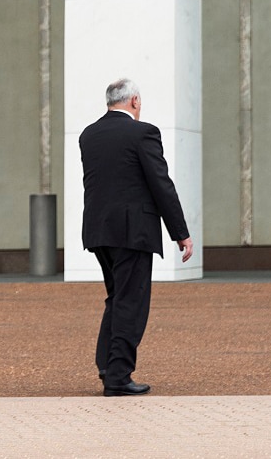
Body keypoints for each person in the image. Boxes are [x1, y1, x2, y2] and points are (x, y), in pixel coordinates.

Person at [80, 77, 193, 397]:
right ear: (134, 102)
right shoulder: (143, 133)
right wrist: (180, 233)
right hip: (133, 232)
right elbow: (161, 184)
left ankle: (107, 364)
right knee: (131, 302)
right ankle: (118, 375)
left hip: (99, 231)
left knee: (116, 298)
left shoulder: (89, 134)